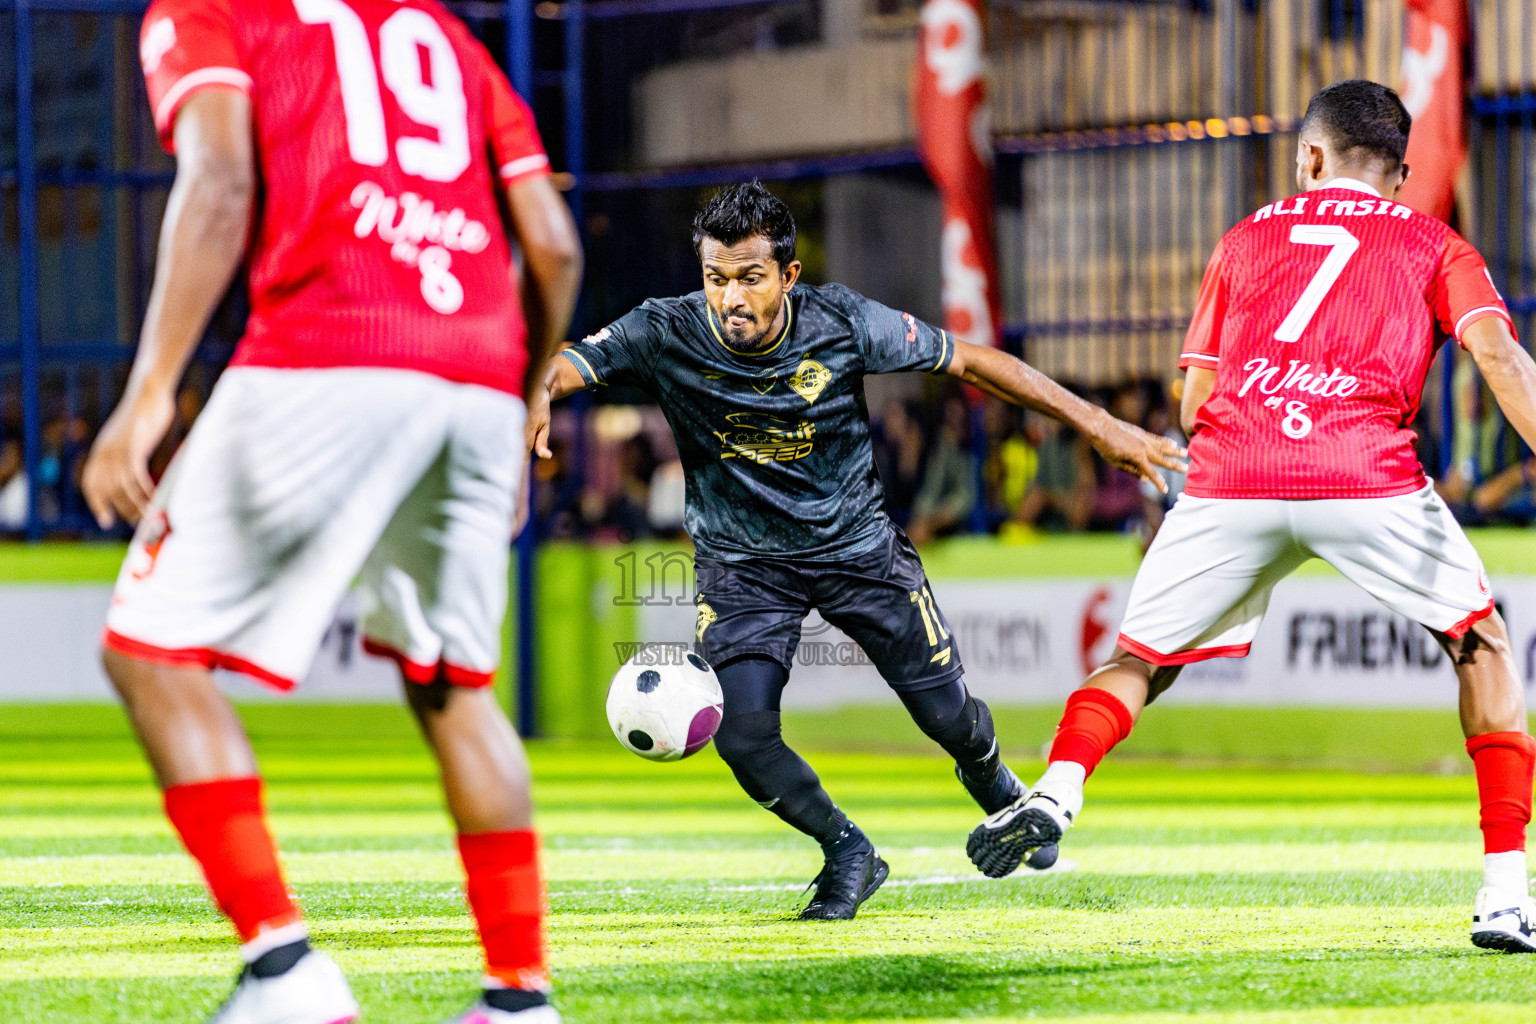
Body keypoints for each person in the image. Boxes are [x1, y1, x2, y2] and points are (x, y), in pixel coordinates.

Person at [80, 1, 581, 1021]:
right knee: (454, 683)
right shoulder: (447, 34)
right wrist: (514, 398)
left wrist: (149, 394)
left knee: (145, 650)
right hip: (481, 369)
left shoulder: (211, 9)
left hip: (330, 339)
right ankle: (520, 1001)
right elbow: (557, 249)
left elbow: (220, 180)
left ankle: (284, 972)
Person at [968, 81, 1536, 953]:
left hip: (1234, 474)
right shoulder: (1435, 242)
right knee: (1481, 641)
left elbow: (1196, 404)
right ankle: (1505, 896)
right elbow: (1497, 354)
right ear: (1399, 173)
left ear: (1309, 157)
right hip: (1364, 475)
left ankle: (1056, 790)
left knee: (1143, 660)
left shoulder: (1244, 239)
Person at [530, 181, 1182, 920]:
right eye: (716, 278)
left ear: (788, 275)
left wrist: (1100, 426)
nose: (731, 298)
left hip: (858, 550)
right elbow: (564, 364)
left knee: (949, 720)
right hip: (744, 569)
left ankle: (994, 779)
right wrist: (536, 393)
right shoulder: (664, 330)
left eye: (750, 277)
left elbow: (968, 362)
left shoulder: (842, 321)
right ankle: (847, 851)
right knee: (743, 737)